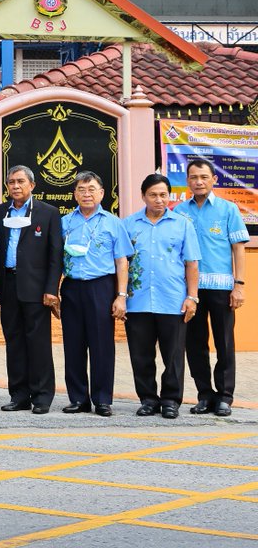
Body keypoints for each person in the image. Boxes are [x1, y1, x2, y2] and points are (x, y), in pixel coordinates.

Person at [174, 158, 248, 417]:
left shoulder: (228, 209)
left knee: (224, 342)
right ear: (187, 181)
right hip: (190, 290)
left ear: (214, 179)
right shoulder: (179, 211)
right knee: (195, 343)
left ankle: (225, 396)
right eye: (194, 177)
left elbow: (238, 249)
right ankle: (204, 394)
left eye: (204, 177)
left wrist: (239, 285)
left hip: (221, 288)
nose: (199, 182)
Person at [122, 174, 200, 419]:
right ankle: (148, 399)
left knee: (173, 355)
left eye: (163, 195)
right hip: (137, 301)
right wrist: (120, 296)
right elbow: (121, 263)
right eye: (153, 195)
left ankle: (170, 400)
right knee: (141, 355)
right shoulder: (129, 224)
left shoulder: (182, 224)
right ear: (143, 196)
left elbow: (191, 263)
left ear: (169, 196)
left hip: (173, 300)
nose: (159, 200)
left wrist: (192, 297)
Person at [0, 165, 63, 414]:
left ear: (32, 185)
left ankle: (42, 396)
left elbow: (55, 254)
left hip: (37, 288)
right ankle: (19, 395)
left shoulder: (48, 213)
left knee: (38, 343)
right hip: (8, 285)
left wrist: (52, 289)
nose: (15, 186)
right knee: (14, 342)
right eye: (11, 182)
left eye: (20, 181)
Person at [59, 171, 133, 417]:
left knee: (102, 344)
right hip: (71, 286)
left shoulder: (113, 223)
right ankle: (78, 398)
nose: (86, 194)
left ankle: (102, 399)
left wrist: (121, 295)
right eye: (81, 189)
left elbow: (122, 262)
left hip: (101, 286)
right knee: (73, 344)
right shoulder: (65, 222)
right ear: (74, 194)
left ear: (101, 193)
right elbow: (55, 259)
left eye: (91, 189)